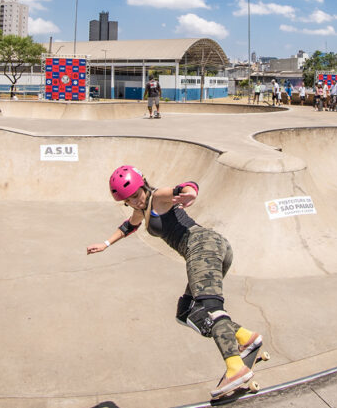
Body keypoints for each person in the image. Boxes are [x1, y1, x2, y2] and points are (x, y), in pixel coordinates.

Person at [86, 166, 263, 399]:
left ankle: (235, 367)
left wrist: (190, 193)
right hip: (207, 249)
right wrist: (106, 244)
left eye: (136, 195)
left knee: (210, 308)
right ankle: (245, 337)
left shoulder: (158, 197)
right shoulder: (141, 210)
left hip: (202, 245)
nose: (135, 202)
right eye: (128, 200)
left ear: (143, 185)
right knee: (186, 311)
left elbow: (184, 187)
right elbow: (129, 225)